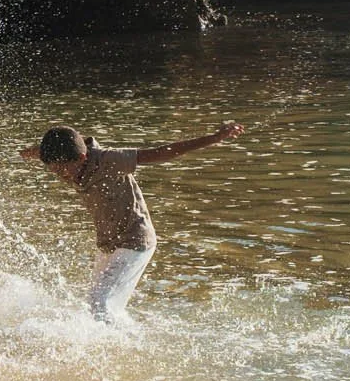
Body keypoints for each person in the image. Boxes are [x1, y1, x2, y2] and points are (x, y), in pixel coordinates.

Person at [27, 118, 245, 322]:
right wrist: (31, 152)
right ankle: (127, 338)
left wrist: (216, 137)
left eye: (65, 169)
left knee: (100, 304)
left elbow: (162, 153)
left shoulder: (109, 160)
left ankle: (120, 348)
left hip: (135, 241)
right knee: (98, 305)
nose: (62, 175)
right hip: (109, 243)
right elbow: (54, 150)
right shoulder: (64, 155)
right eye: (55, 170)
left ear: (82, 158)